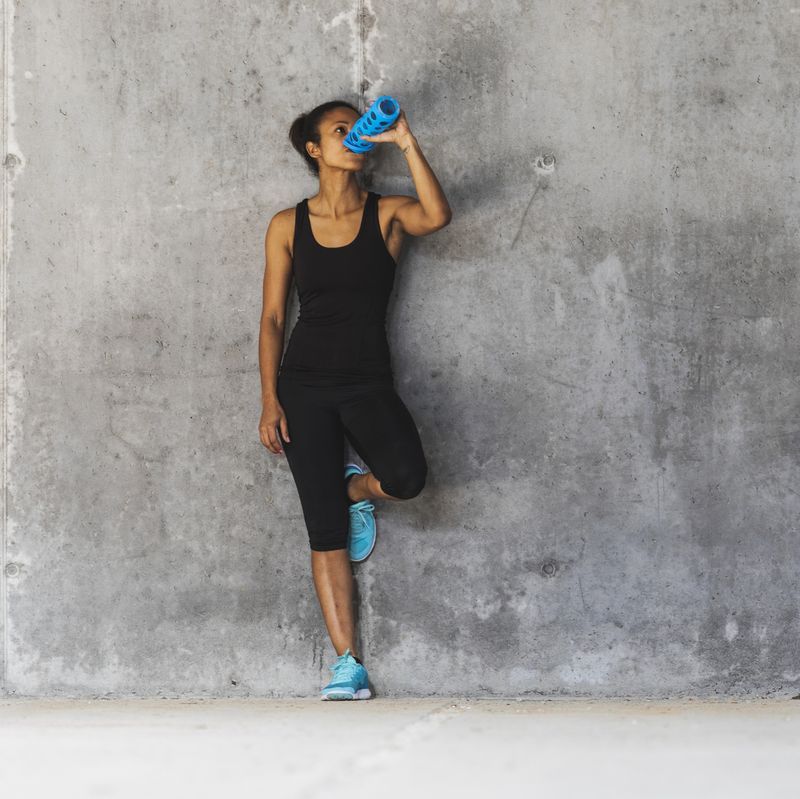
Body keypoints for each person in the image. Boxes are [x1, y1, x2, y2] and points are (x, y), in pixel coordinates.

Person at [258, 98, 452, 700]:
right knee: (324, 531)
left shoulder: (387, 214)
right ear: (315, 150)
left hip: (368, 381)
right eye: (341, 130)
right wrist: (270, 399)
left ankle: (353, 488)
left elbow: (438, 217)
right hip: (303, 386)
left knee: (407, 477)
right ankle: (347, 665)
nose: (354, 134)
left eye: (357, 126)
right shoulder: (287, 225)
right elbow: (270, 318)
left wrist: (405, 141)